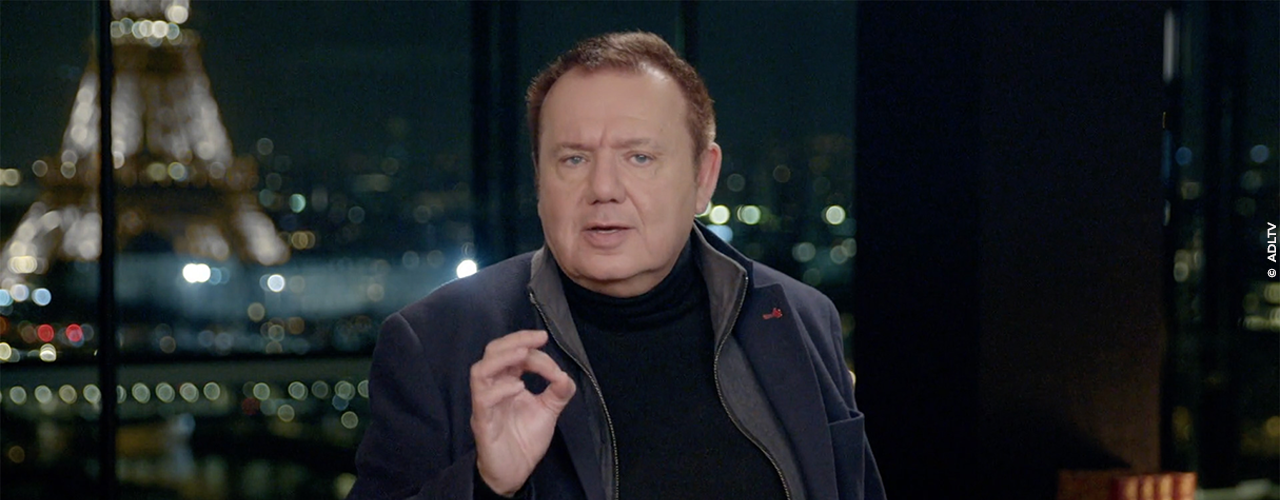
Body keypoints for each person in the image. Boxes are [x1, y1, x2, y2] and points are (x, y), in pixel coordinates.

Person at [348, 31, 886, 500]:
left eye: (639, 157)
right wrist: (487, 486)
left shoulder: (800, 319)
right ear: (539, 179)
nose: (603, 188)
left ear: (703, 176)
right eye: (573, 159)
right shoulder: (436, 343)